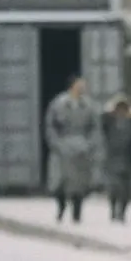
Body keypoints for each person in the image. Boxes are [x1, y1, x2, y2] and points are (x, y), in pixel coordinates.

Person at [44, 75, 101, 224]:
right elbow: (50, 125)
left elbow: (95, 127)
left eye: (83, 85)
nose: (82, 88)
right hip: (62, 147)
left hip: (81, 148)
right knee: (59, 182)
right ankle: (61, 207)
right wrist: (55, 143)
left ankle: (77, 213)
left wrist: (90, 144)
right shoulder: (59, 104)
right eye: (79, 85)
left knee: (79, 184)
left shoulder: (89, 106)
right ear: (72, 86)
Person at [102, 95, 131, 223]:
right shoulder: (109, 122)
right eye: (119, 108)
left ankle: (122, 212)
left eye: (124, 109)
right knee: (114, 187)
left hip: (128, 160)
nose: (121, 112)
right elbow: (100, 123)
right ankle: (113, 209)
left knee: (126, 189)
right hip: (112, 159)